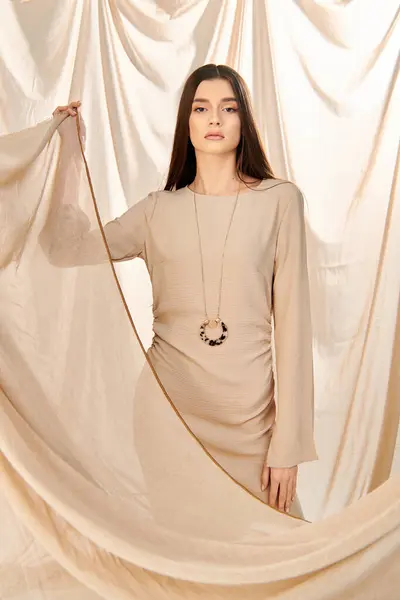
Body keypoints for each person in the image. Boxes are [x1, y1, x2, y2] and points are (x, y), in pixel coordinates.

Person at [52, 63, 317, 515]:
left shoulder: (280, 201)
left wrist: (287, 444)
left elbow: (293, 329)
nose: (215, 119)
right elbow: (66, 248)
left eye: (228, 108)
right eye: (201, 108)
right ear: (187, 122)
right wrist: (67, 157)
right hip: (167, 413)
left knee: (274, 556)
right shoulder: (157, 210)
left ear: (243, 121)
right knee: (182, 558)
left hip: (251, 423)